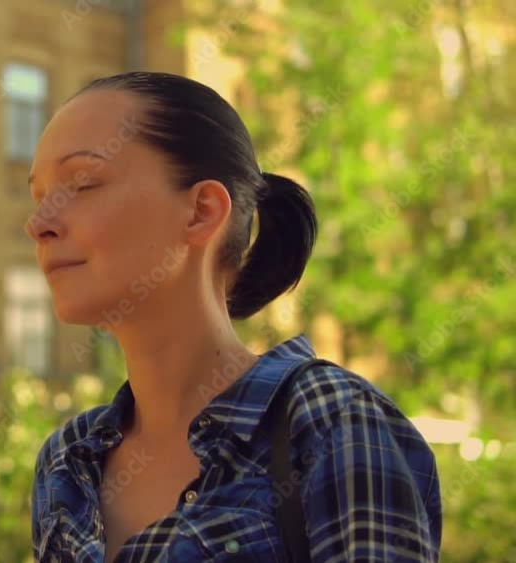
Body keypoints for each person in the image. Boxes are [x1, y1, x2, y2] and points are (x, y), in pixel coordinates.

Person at [25, 72, 441, 562]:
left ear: (202, 211)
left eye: (82, 183)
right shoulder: (67, 461)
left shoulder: (330, 422)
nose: (38, 224)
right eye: (39, 197)